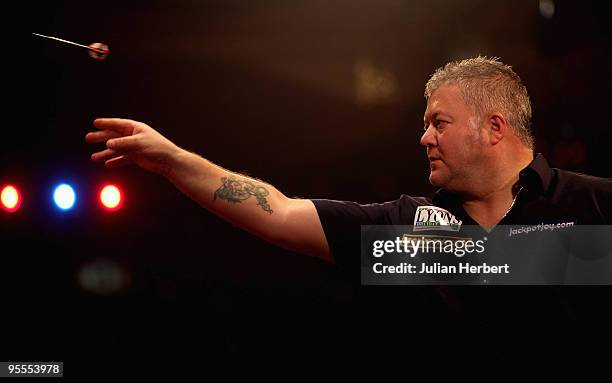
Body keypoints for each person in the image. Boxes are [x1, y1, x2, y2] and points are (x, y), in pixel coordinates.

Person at [86, 56, 612, 280]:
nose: (424, 136)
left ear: (495, 128)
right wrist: (175, 161)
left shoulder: (595, 206)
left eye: (439, 122)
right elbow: (279, 215)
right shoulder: (408, 236)